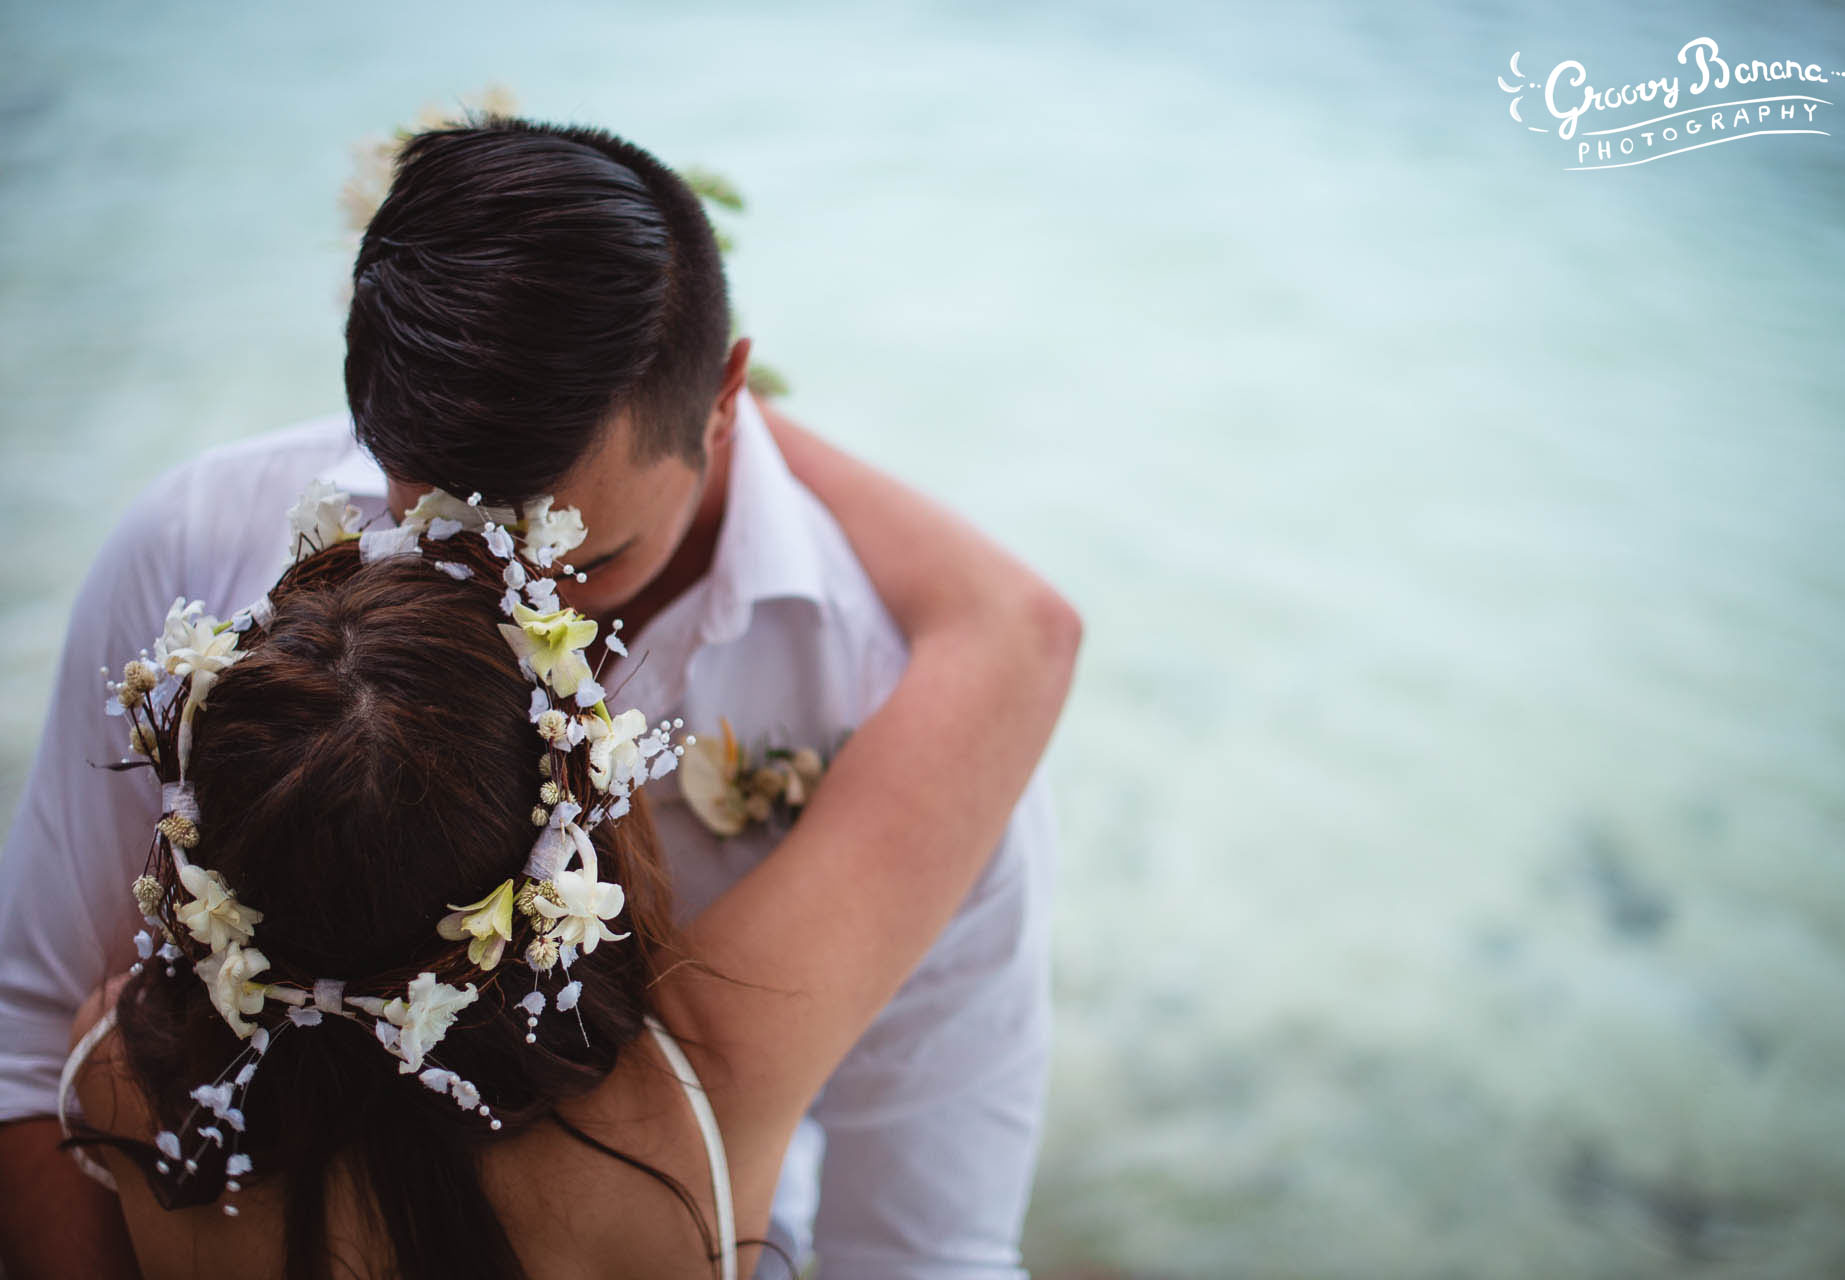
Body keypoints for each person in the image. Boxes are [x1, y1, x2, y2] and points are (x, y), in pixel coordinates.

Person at [0, 116, 1065, 1277]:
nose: (520, 635)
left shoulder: (885, 702)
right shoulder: (194, 549)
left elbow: (922, 1246)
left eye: (585, 563)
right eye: (450, 548)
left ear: (721, 399)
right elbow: (19, 1035)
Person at [57, 456, 1078, 1277]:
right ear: (574, 819)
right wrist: (732, 422)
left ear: (215, 852)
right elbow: (1018, 637)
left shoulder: (120, 1078)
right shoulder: (699, 1100)